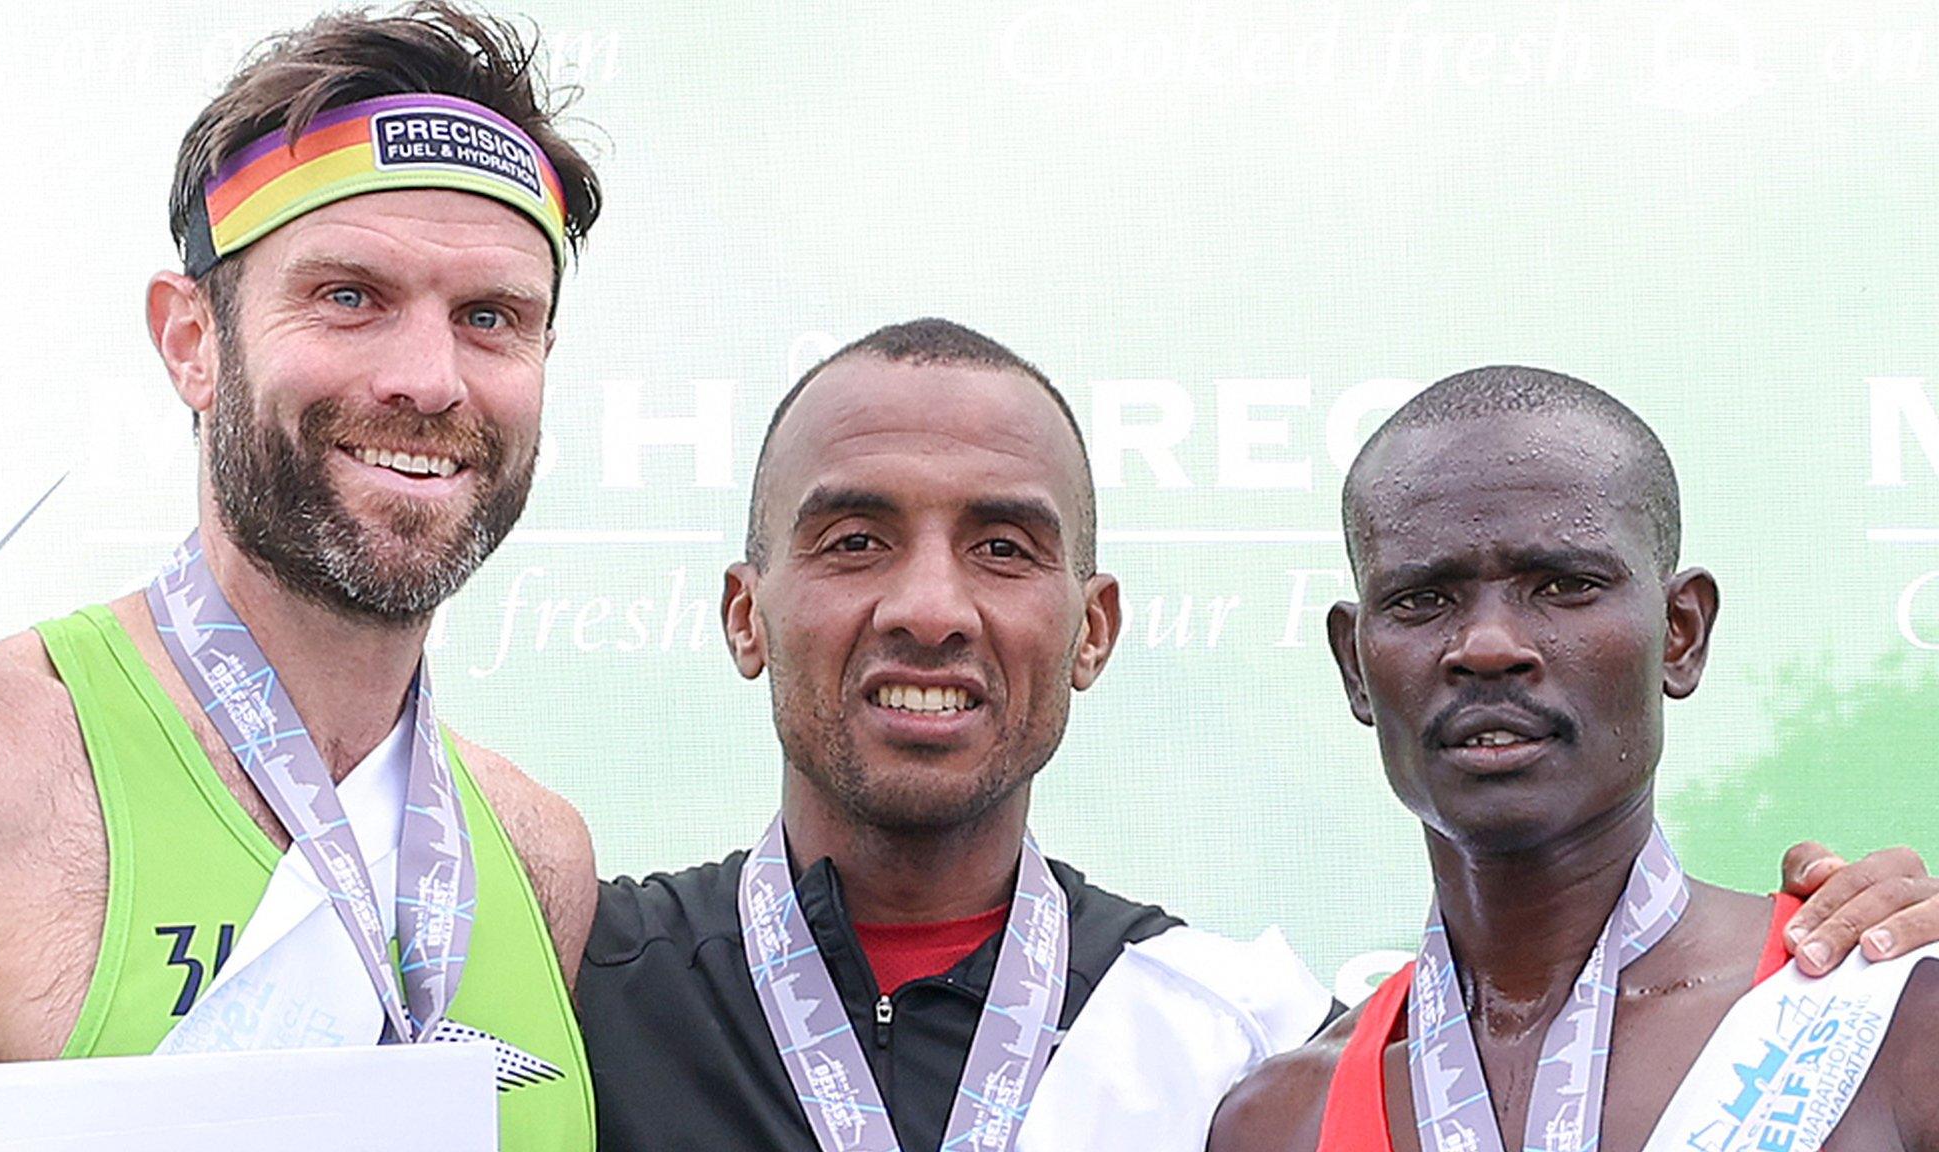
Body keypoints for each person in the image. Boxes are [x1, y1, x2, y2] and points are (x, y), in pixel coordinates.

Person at [577, 325, 1938, 1152]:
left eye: (1002, 546)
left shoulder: (1228, 1038)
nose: (929, 609)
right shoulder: (556, 984)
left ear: (1092, 629)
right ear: (745, 613)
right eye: (855, 540)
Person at [0, 5, 604, 1150]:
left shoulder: (540, 856)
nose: (429, 379)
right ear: (192, 340)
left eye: (489, 318)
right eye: (348, 296)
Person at [1210, 366, 1939, 1152]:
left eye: (1565, 584)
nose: (1488, 646)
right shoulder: (1282, 1121)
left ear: (1681, 632)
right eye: (1423, 598)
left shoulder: (1893, 1018)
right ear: (1355, 666)